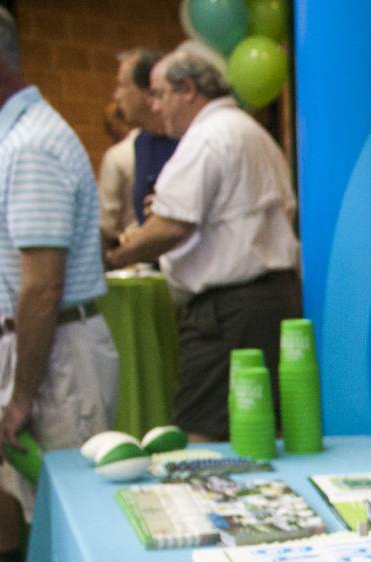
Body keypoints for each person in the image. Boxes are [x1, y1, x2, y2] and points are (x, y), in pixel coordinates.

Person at [0, 1, 119, 520]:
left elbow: (42, 286)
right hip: (34, 351)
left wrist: (20, 399)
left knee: (71, 518)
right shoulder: (7, 139)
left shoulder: (31, 145)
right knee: (35, 510)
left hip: (53, 355)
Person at [107, 46, 299, 440]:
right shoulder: (250, 131)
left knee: (201, 437)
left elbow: (172, 227)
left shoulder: (209, 136)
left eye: (159, 94)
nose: (155, 107)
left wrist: (116, 256)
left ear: (188, 89)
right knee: (261, 431)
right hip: (271, 297)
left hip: (227, 311)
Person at [109, 47, 176, 233]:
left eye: (122, 85)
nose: (117, 95)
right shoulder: (142, 142)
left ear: (148, 90)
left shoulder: (187, 137)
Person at [97, 101, 134, 240]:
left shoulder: (116, 156)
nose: (107, 132)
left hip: (125, 245)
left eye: (109, 125)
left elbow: (106, 222)